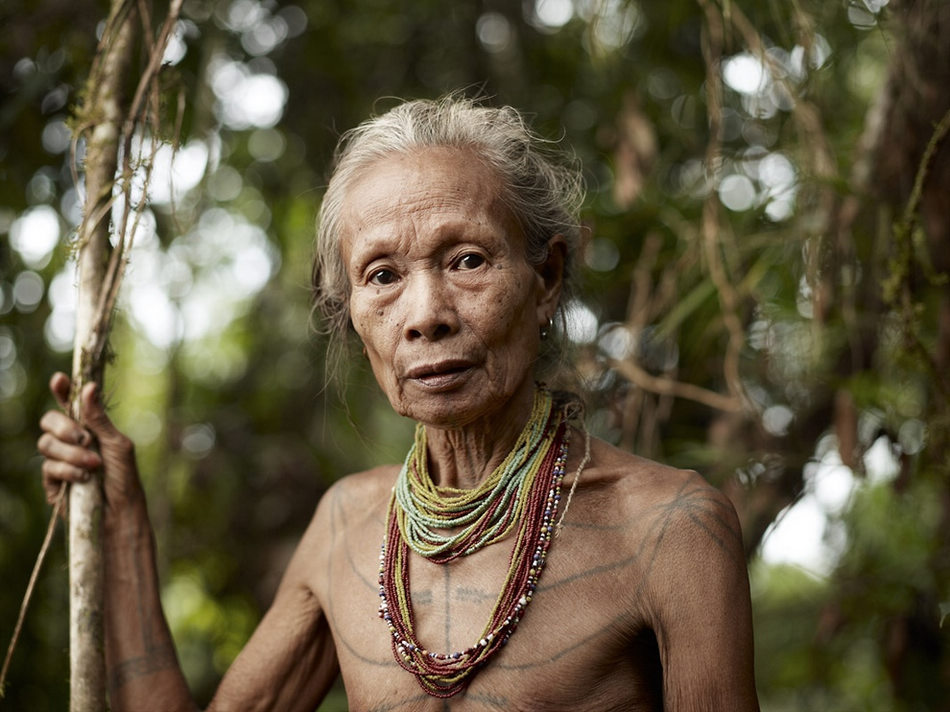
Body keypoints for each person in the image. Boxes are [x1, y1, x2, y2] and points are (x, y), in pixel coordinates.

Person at [38, 95, 760, 711]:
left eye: (467, 260)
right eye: (382, 275)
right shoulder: (345, 526)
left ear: (546, 278)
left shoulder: (670, 531)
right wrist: (122, 524)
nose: (426, 314)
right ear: (351, 313)